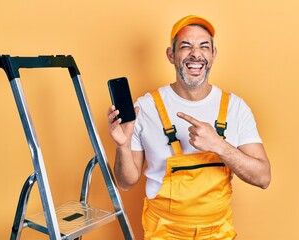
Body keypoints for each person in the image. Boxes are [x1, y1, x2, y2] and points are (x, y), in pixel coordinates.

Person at [107, 15, 271, 240]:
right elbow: (126, 183)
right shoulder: (145, 108)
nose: (196, 53)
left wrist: (219, 145)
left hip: (218, 234)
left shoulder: (236, 108)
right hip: (163, 233)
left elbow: (263, 178)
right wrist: (123, 146)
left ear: (213, 55)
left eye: (204, 46)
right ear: (171, 55)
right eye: (186, 46)